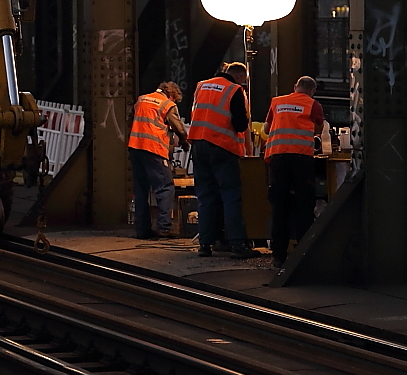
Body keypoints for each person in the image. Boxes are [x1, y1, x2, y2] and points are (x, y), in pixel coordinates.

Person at [188, 62, 262, 259]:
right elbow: (239, 125)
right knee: (230, 195)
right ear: (239, 77)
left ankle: (205, 245)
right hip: (221, 147)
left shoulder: (201, 85)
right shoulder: (234, 90)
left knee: (205, 196)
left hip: (198, 144)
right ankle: (237, 244)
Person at [263, 76, 324, 269]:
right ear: (312, 91)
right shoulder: (313, 105)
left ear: (295, 87)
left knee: (279, 206)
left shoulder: (277, 102)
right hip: (301, 159)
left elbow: (266, 128)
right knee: (304, 206)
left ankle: (278, 256)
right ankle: (302, 253)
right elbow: (319, 129)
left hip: (278, 159)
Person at [128, 81, 189, 239]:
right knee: (165, 188)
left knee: (141, 190)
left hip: (135, 147)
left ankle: (142, 230)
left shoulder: (142, 99)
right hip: (154, 149)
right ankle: (164, 228)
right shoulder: (167, 104)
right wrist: (184, 142)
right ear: (171, 95)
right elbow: (179, 128)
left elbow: (133, 120)